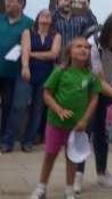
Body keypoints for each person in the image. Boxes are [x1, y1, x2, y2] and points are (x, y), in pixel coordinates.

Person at [29, 36, 101, 199]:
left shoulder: (91, 76)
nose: (84, 49)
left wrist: (85, 120)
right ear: (69, 51)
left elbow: (94, 99)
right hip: (56, 123)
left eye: (87, 47)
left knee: (73, 158)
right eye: (79, 46)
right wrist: (58, 109)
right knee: (50, 155)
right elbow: (47, 93)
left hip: (76, 127)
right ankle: (41, 187)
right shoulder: (60, 71)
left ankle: (69, 189)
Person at [75, 14, 112, 192]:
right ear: (108, 33)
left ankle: (102, 173)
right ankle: (77, 175)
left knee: (103, 131)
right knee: (85, 130)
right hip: (90, 87)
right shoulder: (93, 45)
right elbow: (99, 81)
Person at [5, 9, 60, 152]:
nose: (46, 17)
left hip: (46, 75)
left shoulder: (56, 35)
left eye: (49, 15)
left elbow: (53, 54)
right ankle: (8, 141)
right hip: (28, 71)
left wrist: (32, 53)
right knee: (19, 106)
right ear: (38, 18)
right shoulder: (28, 32)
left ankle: (28, 141)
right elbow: (24, 51)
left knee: (38, 108)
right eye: (43, 15)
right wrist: (25, 66)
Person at [1, 0, 33, 152]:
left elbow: (28, 47)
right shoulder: (1, 19)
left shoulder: (28, 23)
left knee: (9, 107)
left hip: (14, 74)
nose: (7, 2)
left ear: (21, 5)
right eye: (7, 0)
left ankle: (5, 140)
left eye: (11, 1)